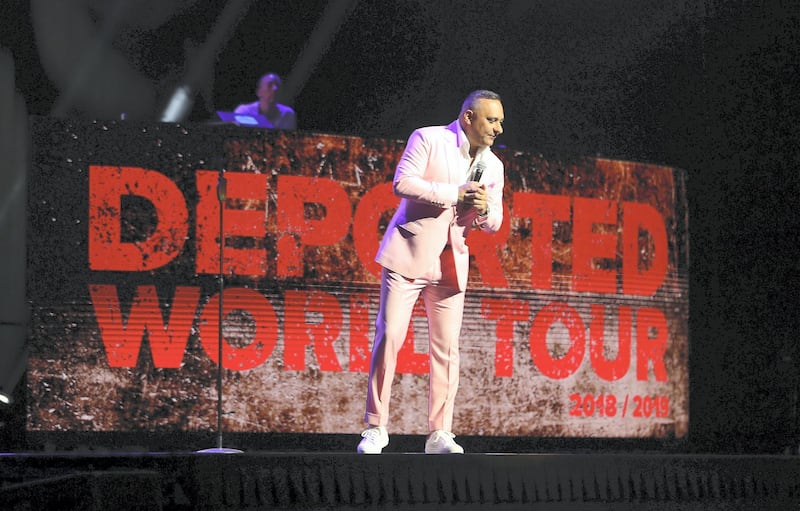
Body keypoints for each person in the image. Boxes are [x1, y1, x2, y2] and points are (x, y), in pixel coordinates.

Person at [357, 90, 505, 454]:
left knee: (446, 350)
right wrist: (455, 194)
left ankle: (440, 432)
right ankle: (376, 427)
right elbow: (402, 183)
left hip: (451, 262)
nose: (499, 128)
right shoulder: (429, 138)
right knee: (389, 336)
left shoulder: (495, 166)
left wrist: (485, 209)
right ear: (468, 117)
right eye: (492, 120)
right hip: (409, 250)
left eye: (500, 121)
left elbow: (495, 222)